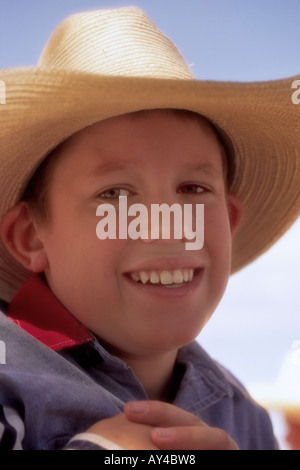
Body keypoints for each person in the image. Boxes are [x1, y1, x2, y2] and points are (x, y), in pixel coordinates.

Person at [0, 7, 299, 451]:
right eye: (116, 195)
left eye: (193, 188)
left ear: (229, 224)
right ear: (31, 235)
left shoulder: (245, 417)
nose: (165, 226)